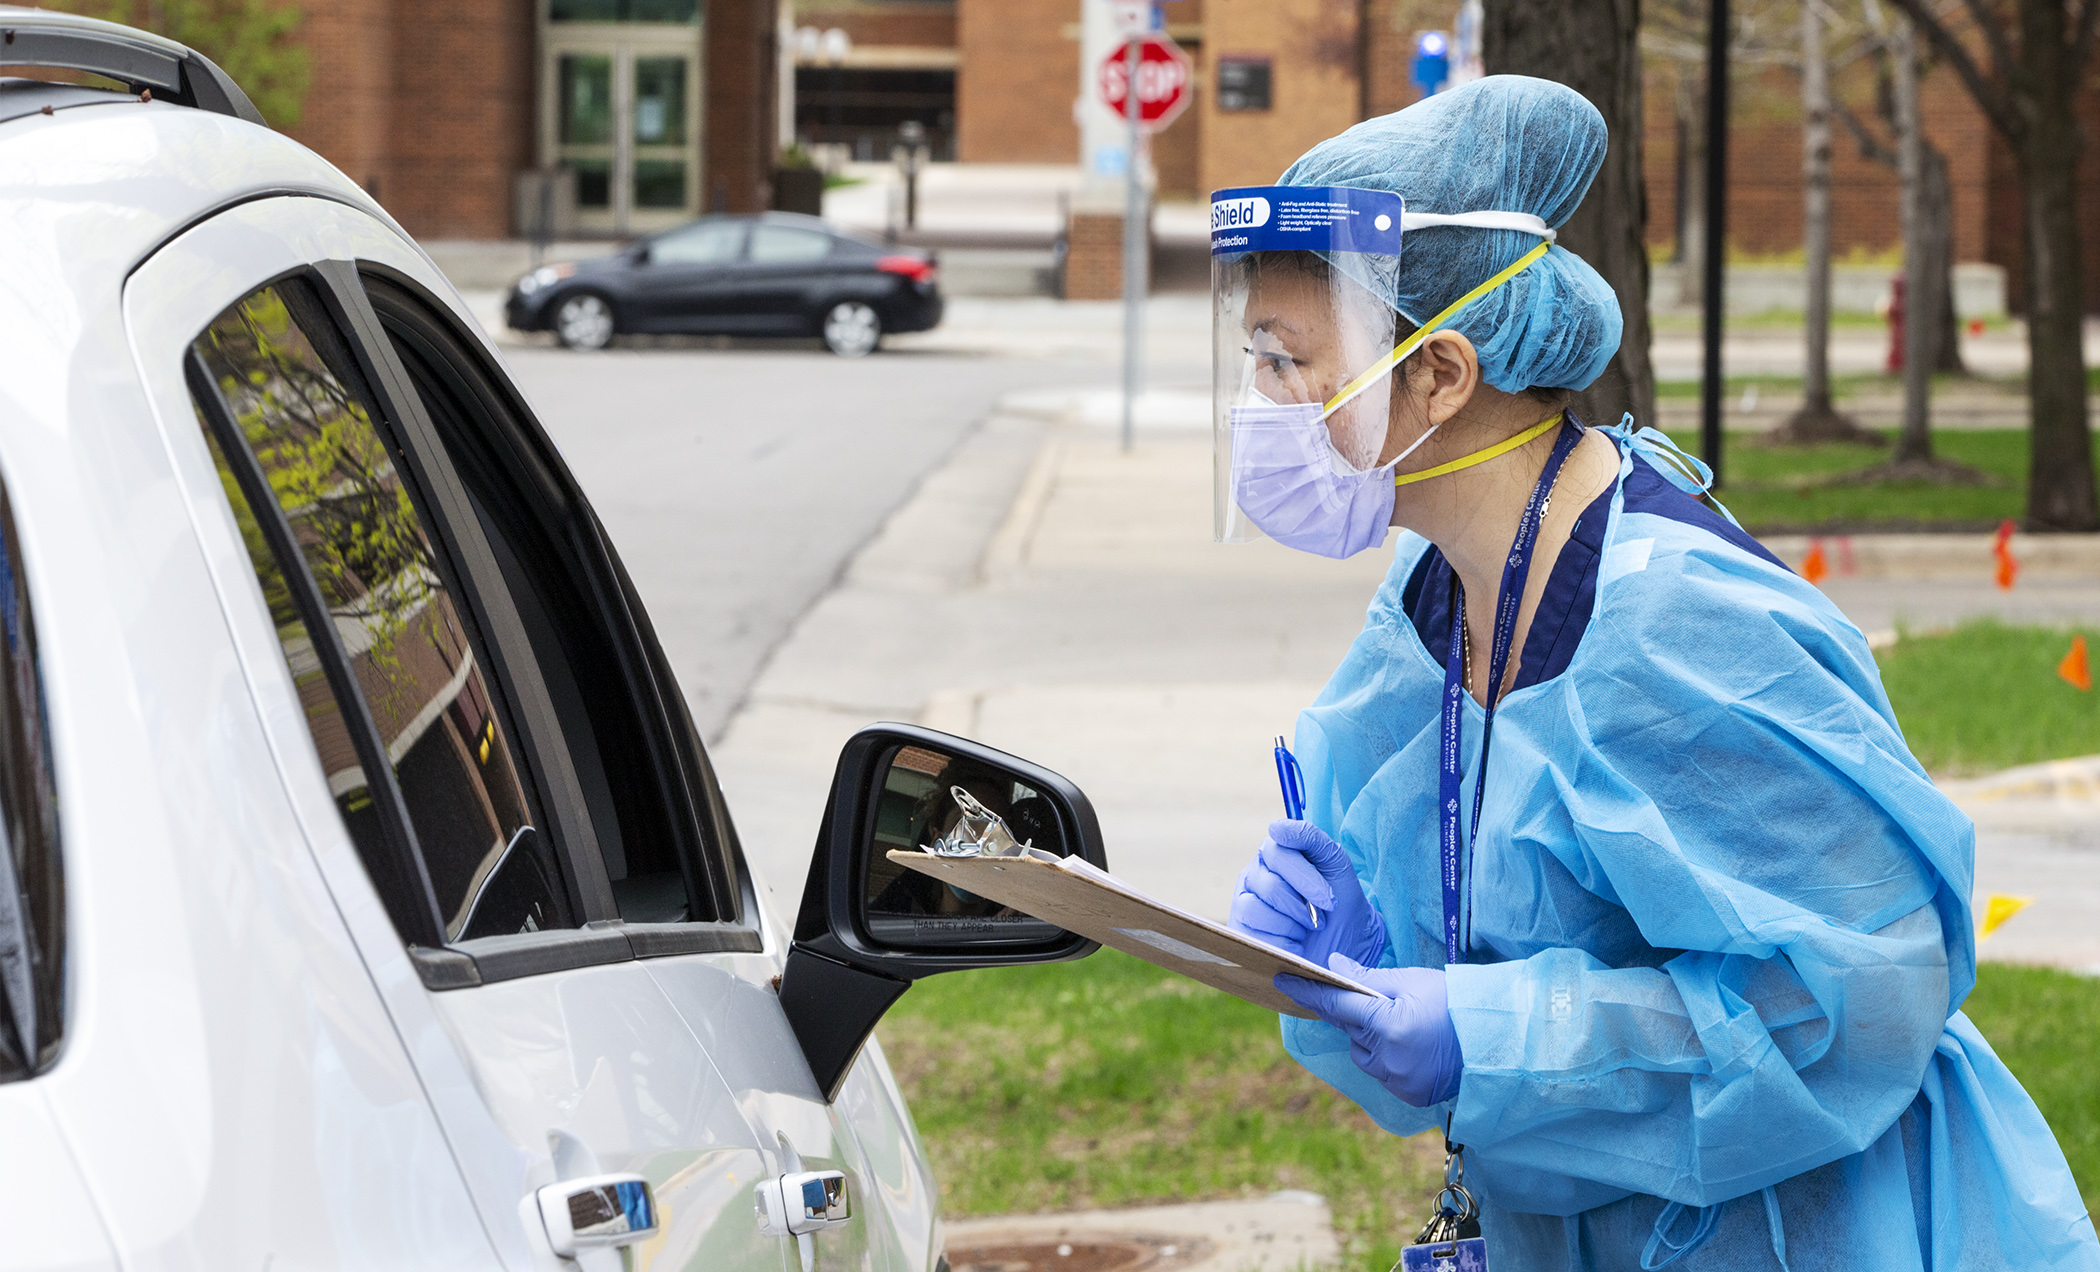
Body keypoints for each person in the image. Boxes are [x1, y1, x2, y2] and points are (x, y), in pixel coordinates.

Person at [1215, 75, 2099, 1269]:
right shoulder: (1434, 605)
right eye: (1256, 359)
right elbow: (1450, 983)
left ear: (1442, 376)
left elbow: (1861, 1000)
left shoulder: (1674, 628)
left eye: (1289, 361)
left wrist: (1492, 1031)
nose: (1261, 407)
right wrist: (1358, 968)